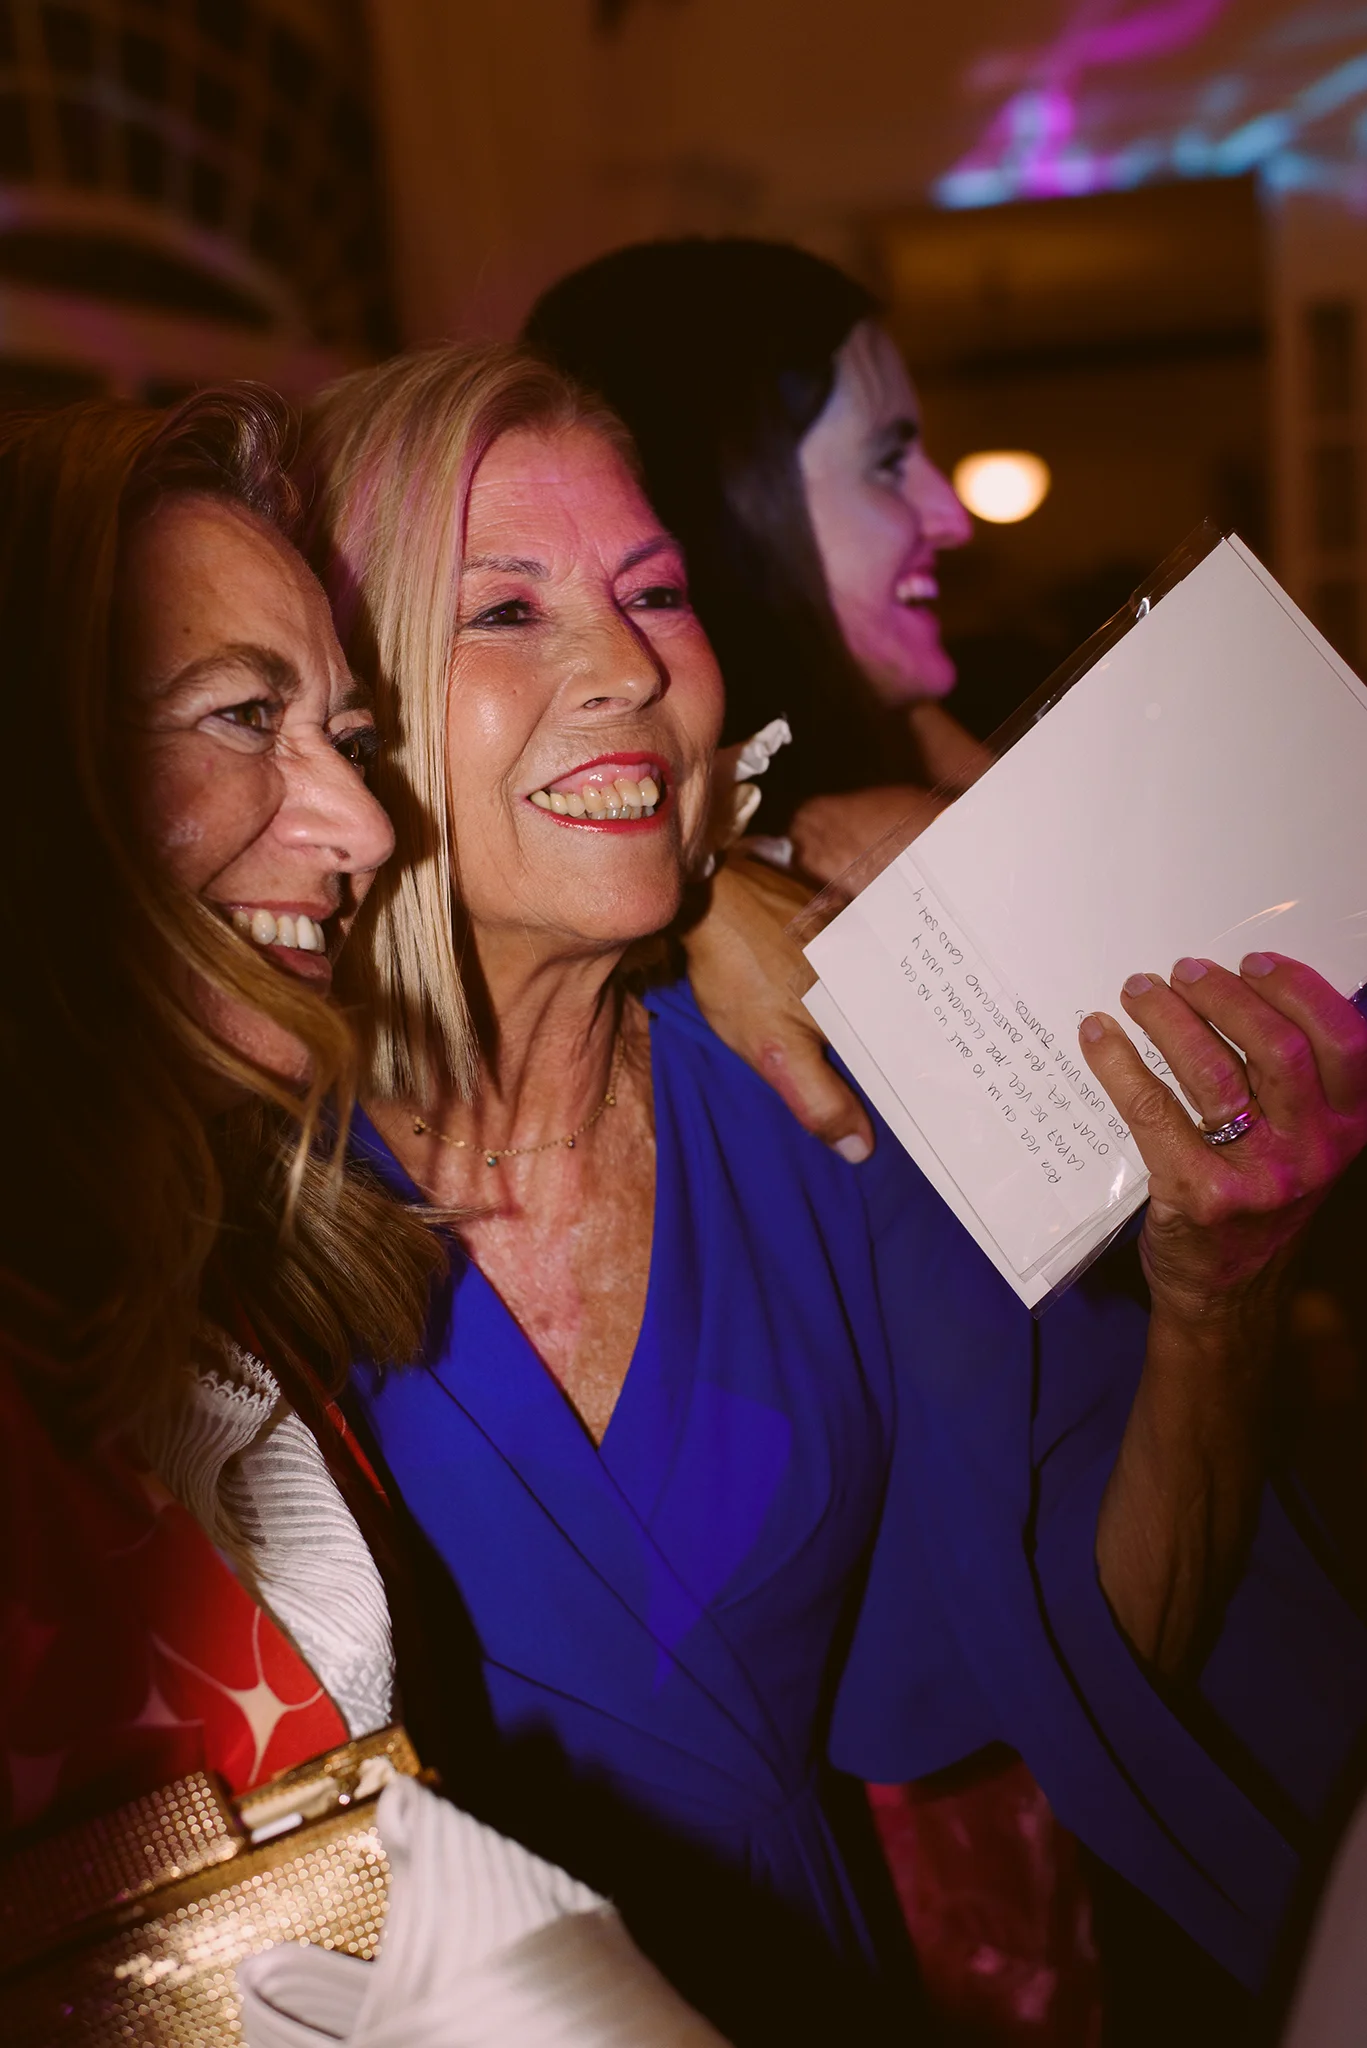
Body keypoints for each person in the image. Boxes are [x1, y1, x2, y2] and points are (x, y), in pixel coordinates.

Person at [301, 340, 1367, 2045]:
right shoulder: (229, 1171)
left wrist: (1214, 1298)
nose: (628, 665)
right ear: (332, 705)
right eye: (502, 609)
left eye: (656, 591)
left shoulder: (822, 1103)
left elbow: (1109, 1642)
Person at [0, 390, 724, 2046]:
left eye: (345, 732)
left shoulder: (220, 1270)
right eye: (244, 715)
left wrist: (753, 883)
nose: (366, 827)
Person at [524, 235, 990, 888]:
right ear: (727, 502)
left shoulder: (908, 767)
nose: (952, 520)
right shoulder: (859, 854)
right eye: (887, 462)